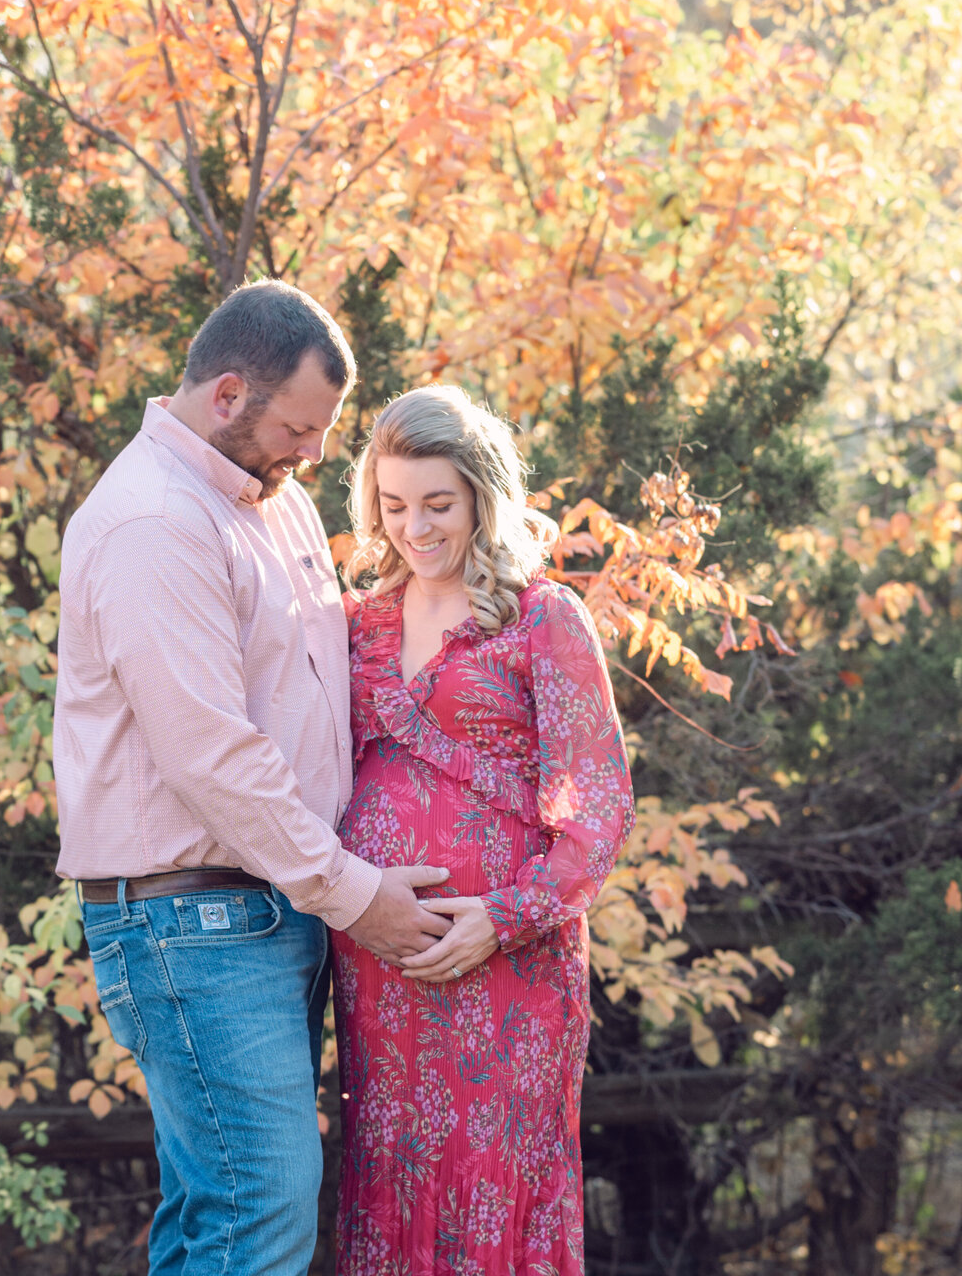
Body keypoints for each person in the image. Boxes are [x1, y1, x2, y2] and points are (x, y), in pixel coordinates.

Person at [54, 280, 449, 1276]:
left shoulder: (277, 507)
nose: (313, 453)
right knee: (258, 1214)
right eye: (297, 427)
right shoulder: (152, 521)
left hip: (274, 911)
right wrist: (358, 898)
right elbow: (212, 756)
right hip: (194, 925)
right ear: (228, 392)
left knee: (226, 1215)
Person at [332, 384, 637, 1276]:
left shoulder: (544, 617)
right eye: (392, 506)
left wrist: (502, 917)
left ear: (479, 496)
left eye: (438, 504)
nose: (414, 528)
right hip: (381, 962)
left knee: (495, 1179)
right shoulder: (359, 624)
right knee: (392, 1171)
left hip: (512, 965)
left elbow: (599, 807)